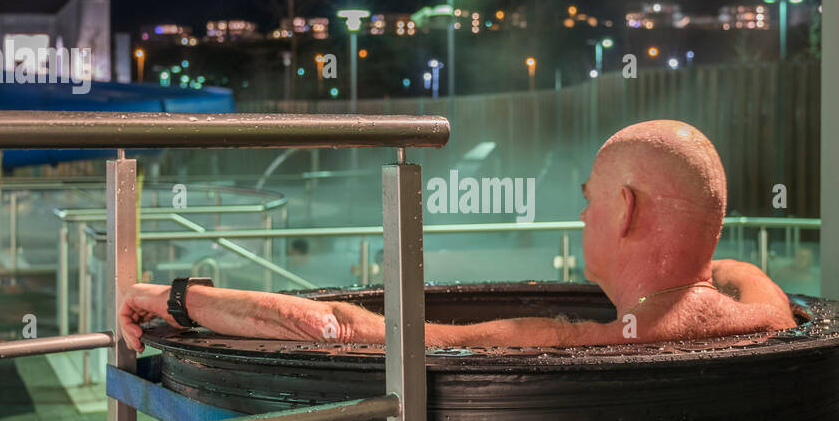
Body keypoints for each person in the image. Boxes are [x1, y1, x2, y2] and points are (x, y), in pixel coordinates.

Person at [119, 120, 798, 352]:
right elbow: (731, 268)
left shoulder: (562, 343)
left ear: (622, 210)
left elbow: (343, 331)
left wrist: (174, 296)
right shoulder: (766, 317)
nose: (581, 217)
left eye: (587, 201)